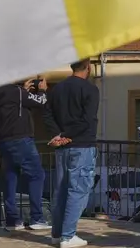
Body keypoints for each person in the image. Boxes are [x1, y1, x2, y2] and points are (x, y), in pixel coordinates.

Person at [43, 59, 99, 248]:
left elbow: (47, 114)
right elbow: (87, 120)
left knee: (61, 190)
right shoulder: (90, 90)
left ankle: (57, 234)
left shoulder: (57, 89)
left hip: (62, 146)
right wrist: (67, 135)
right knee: (78, 190)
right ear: (88, 67)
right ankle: (68, 236)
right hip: (81, 145)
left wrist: (58, 135)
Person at [0, 77, 51, 231]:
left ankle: (13, 220)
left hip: (4, 141)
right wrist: (42, 89)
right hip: (21, 140)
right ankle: (37, 218)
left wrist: (23, 91)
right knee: (37, 175)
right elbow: (41, 101)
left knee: (11, 177)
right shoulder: (16, 92)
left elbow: (15, 104)